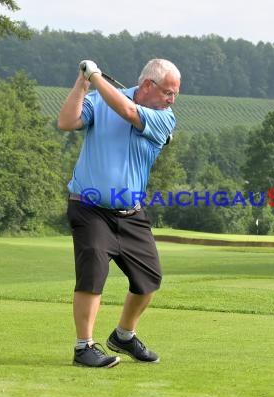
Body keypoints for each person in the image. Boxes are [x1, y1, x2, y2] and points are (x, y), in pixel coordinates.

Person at [57, 58, 181, 368]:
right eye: (168, 92)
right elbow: (67, 122)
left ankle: (123, 335)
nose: (172, 99)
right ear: (148, 86)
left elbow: (127, 111)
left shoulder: (164, 118)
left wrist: (96, 78)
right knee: (93, 273)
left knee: (149, 280)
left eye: (175, 94)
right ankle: (83, 346)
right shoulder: (98, 99)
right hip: (89, 208)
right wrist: (82, 85)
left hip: (131, 213)